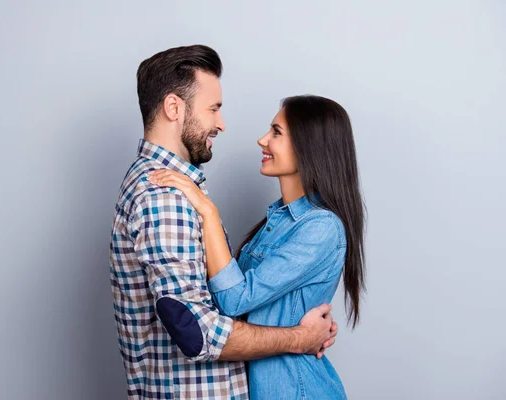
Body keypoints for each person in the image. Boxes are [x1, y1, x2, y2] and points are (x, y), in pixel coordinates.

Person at [109, 45, 338, 399]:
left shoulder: (171, 190)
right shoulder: (165, 197)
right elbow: (197, 331)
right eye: (213, 109)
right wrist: (300, 337)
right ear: (174, 108)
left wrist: (297, 312)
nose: (222, 123)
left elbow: (233, 300)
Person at [149, 94, 366, 399]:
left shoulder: (321, 228)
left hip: (296, 391)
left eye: (276, 132)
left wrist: (207, 211)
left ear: (310, 146)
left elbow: (235, 300)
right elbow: (230, 304)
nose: (262, 140)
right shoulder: (278, 221)